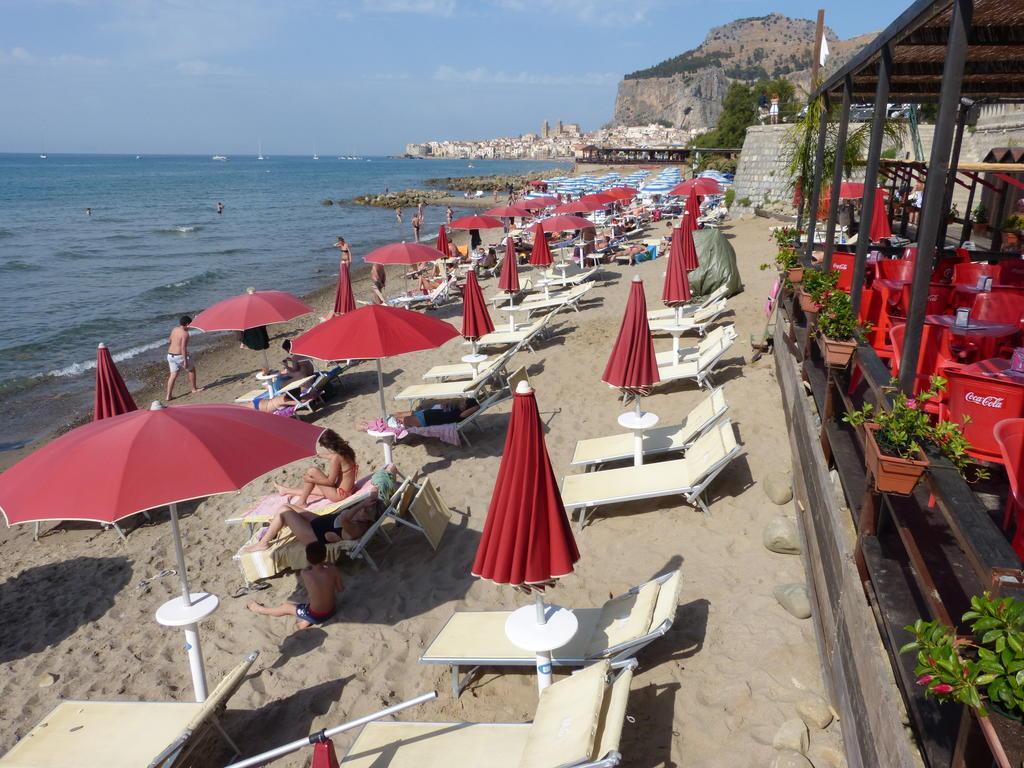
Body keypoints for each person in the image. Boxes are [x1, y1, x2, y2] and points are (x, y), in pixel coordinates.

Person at [247, 542, 343, 629]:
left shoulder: (306, 573)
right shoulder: (333, 570)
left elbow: (310, 591)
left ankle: (259, 609)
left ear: (308, 558)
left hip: (316, 615)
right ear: (325, 556)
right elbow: (340, 589)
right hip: (332, 610)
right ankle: (305, 621)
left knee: (286, 607)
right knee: (313, 601)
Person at [273, 429, 358, 507]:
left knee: (312, 471)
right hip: (348, 490)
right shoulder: (347, 450)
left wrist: (312, 480)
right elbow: (332, 456)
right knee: (311, 490)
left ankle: (302, 502)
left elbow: (330, 482)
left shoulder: (336, 458)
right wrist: (317, 454)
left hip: (339, 494)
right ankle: (286, 490)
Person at [165, 315, 201, 401]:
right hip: (179, 356)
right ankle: (194, 389)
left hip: (170, 355)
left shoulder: (174, 329)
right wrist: (185, 361)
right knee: (191, 370)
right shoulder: (185, 334)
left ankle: (168, 396)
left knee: (173, 375)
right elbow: (183, 348)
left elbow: (169, 341)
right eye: (190, 325)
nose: (190, 327)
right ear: (187, 324)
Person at [391, 398, 479, 428]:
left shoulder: (461, 415)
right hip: (425, 413)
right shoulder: (457, 409)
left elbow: (477, 407)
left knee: (399, 420)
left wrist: (476, 406)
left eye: (464, 403)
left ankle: (384, 423)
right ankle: (385, 418)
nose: (462, 403)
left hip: (426, 420)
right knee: (398, 414)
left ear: (468, 408)